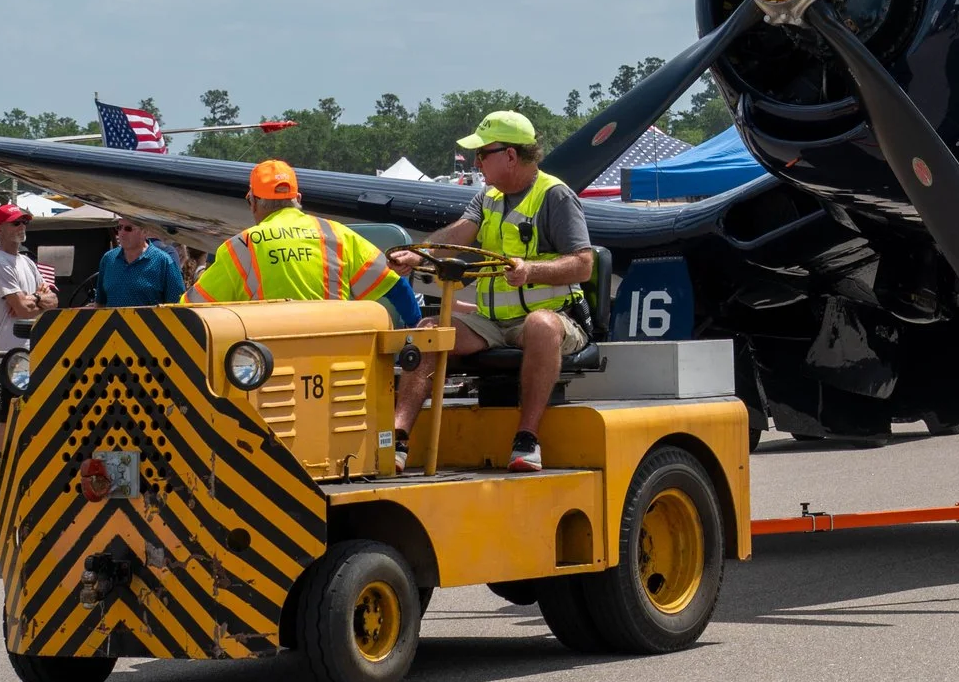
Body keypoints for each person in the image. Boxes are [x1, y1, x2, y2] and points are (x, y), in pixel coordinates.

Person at [389, 111, 595, 473]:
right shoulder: (487, 197)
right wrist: (419, 253)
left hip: (554, 321)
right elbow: (458, 236)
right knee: (427, 331)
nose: (476, 162)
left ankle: (527, 440)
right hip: (492, 323)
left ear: (511, 156)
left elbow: (583, 264)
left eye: (483, 154)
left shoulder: (555, 196)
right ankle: (397, 439)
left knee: (540, 326)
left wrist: (531, 270)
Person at [186, 162, 418, 324]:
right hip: (339, 359)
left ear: (253, 202)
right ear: (297, 199)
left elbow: (192, 307)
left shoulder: (241, 246)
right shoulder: (336, 234)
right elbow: (398, 288)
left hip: (268, 365)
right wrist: (417, 332)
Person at [0, 205, 54, 359]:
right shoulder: (0, 263)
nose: (22, 226)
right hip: (11, 351)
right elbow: (22, 310)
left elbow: (54, 301)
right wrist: (38, 301)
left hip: (34, 347)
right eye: (16, 223)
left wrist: (34, 298)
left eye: (24, 222)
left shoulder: (27, 261)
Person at [96, 217, 186, 309]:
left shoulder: (164, 262)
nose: (122, 233)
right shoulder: (108, 259)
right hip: (114, 323)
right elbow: (100, 303)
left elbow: (177, 306)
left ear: (145, 231)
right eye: (119, 227)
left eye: (128, 228)